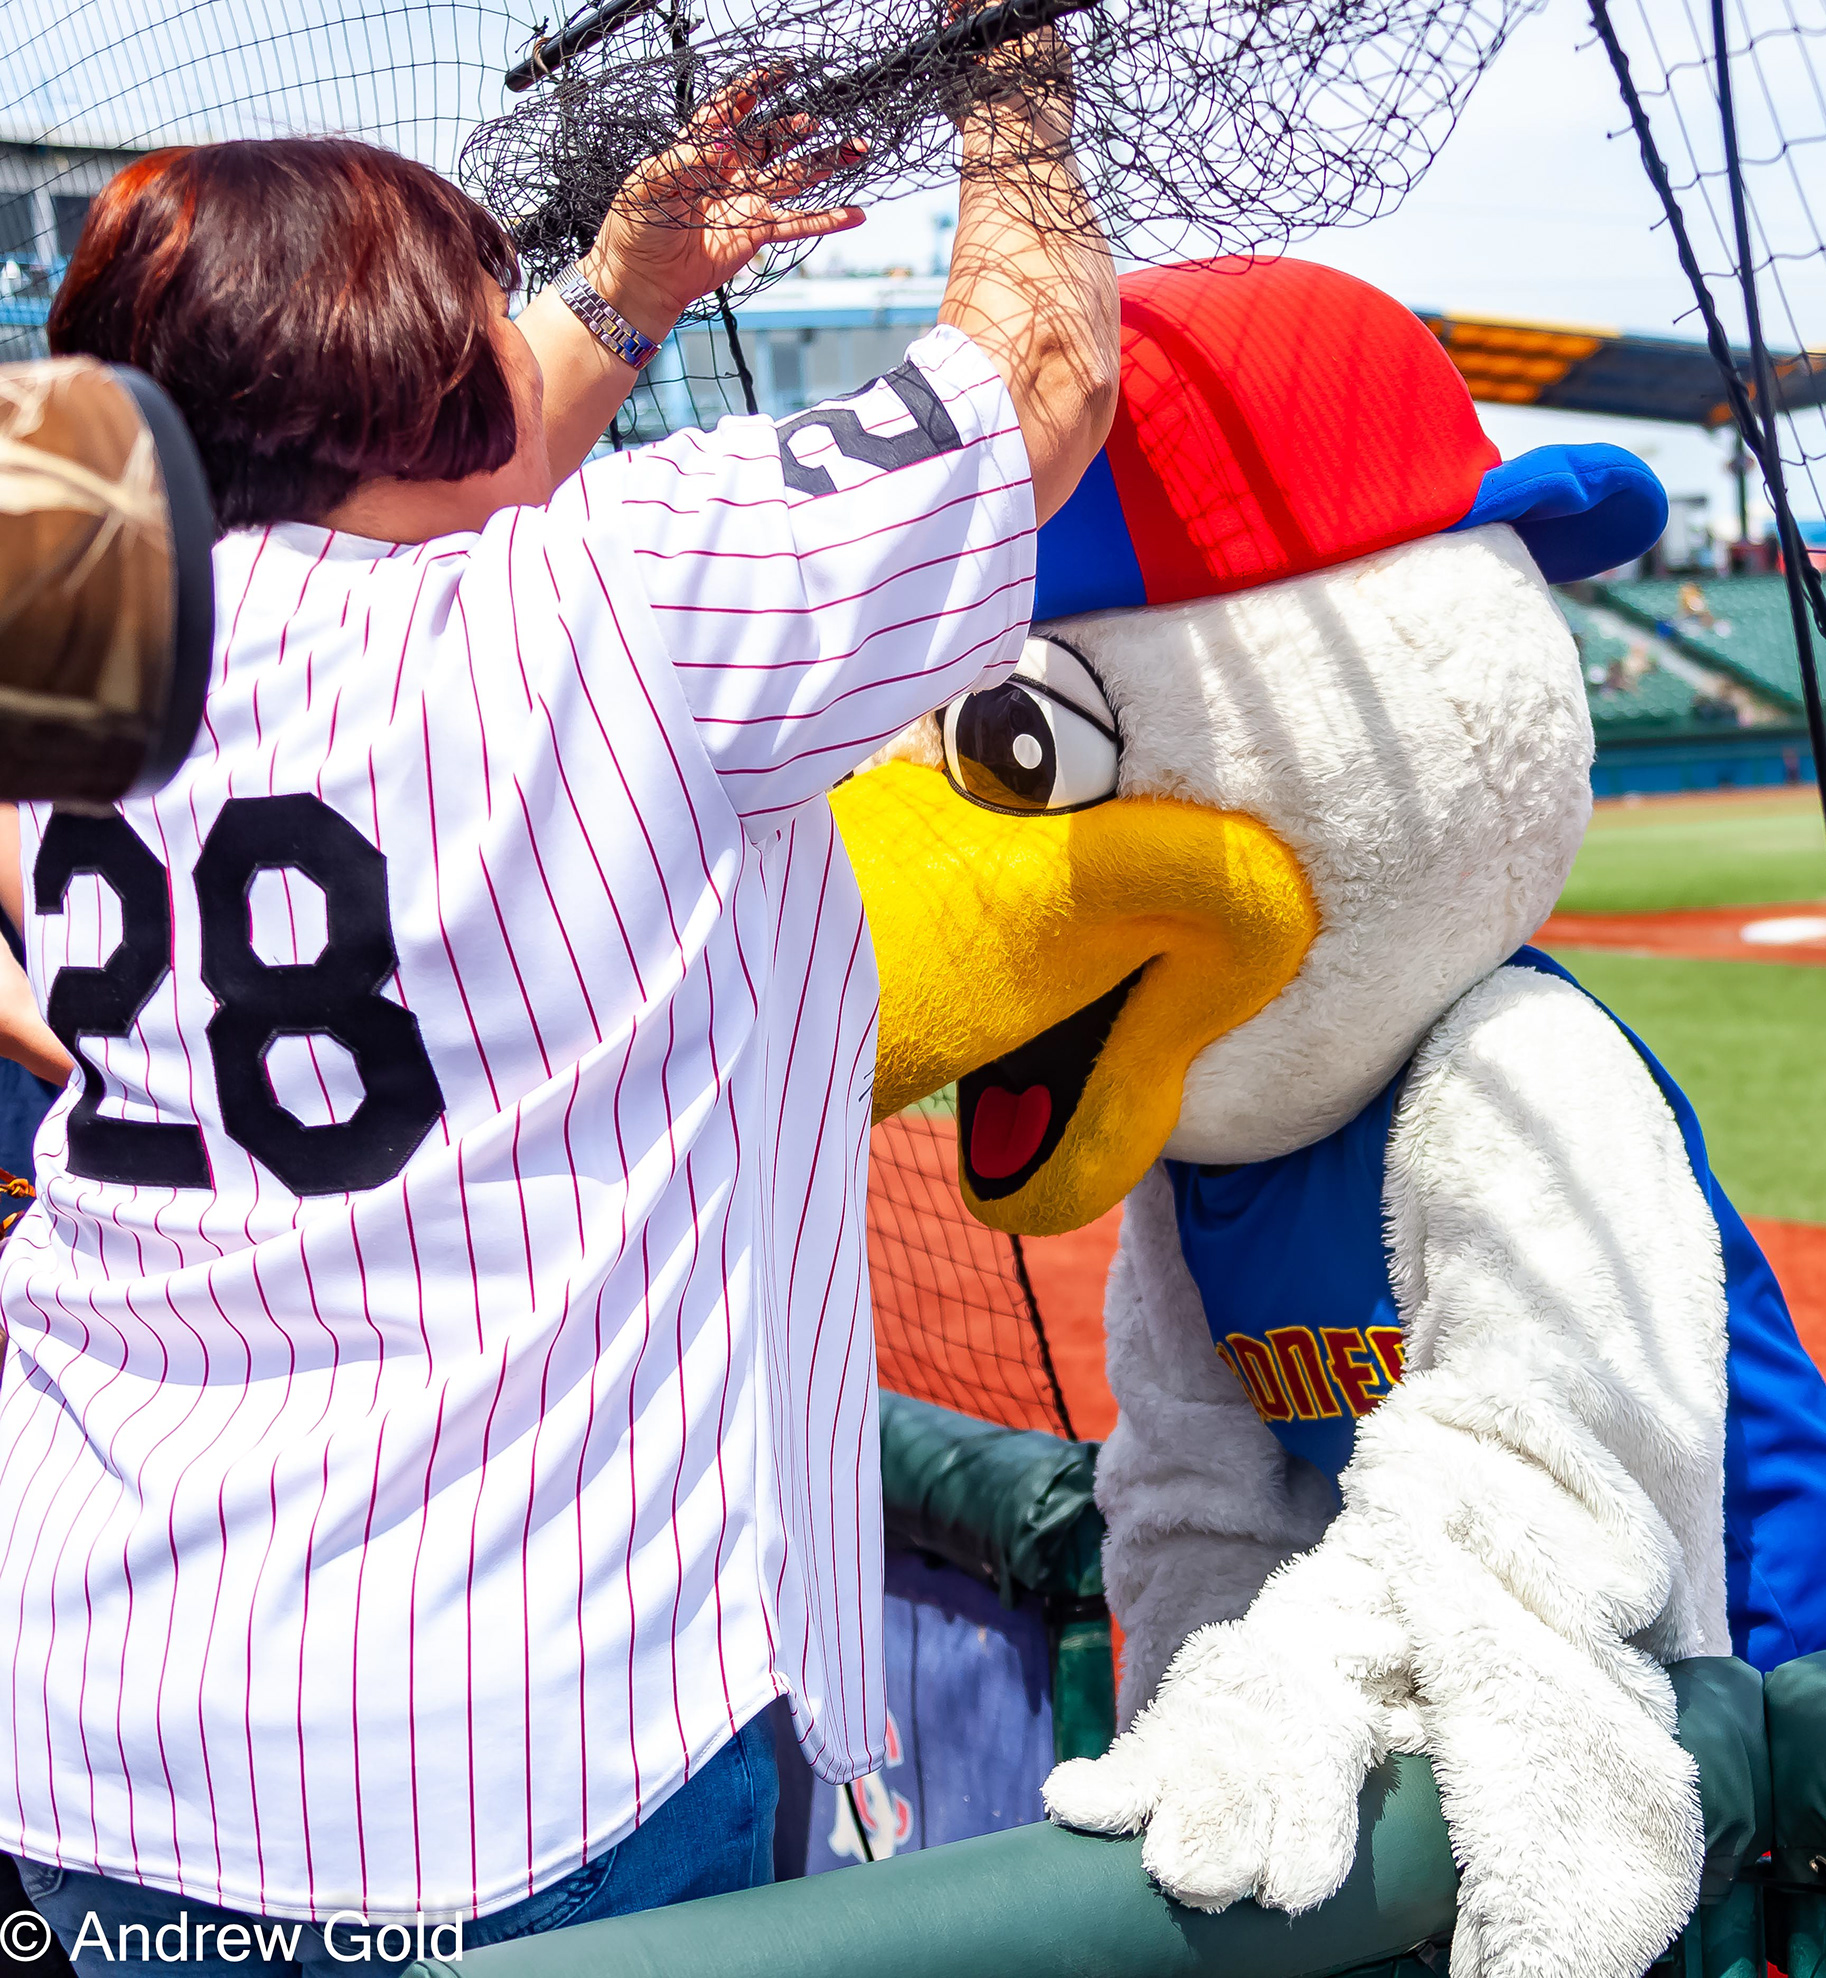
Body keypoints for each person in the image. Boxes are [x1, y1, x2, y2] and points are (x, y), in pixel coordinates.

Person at [3, 48, 1117, 1976]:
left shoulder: (73, 633)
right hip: (515, 1767)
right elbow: (1044, 376)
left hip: (85, 1714)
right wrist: (1014, 61)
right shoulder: (620, 594)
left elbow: (407, 474)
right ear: (425, 383)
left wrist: (613, 299)